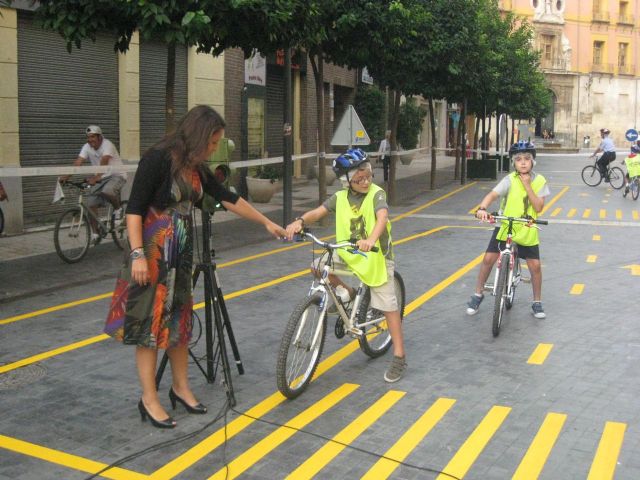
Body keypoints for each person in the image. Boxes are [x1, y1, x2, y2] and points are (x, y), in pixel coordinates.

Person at [104, 105, 286, 429]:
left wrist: (266, 222)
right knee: (149, 328)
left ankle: (181, 388)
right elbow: (134, 210)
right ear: (200, 135)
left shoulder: (194, 167)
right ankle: (149, 398)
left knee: (178, 324)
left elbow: (226, 196)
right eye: (213, 142)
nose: (215, 149)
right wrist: (137, 256)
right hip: (152, 252)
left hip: (181, 256)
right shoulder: (158, 158)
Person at [284, 148, 406, 383]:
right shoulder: (340, 197)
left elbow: (382, 217)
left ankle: (399, 355)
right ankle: (347, 293)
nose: (365, 181)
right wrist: (299, 221)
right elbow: (318, 212)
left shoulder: (377, 194)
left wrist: (371, 240)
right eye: (359, 178)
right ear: (346, 180)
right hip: (348, 252)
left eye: (368, 175)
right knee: (318, 267)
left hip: (376, 256)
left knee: (388, 305)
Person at [466, 140, 550, 319]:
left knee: (535, 266)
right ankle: (478, 294)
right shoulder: (509, 179)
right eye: (518, 159)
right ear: (513, 162)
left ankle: (537, 302)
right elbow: (492, 194)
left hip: (527, 228)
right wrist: (482, 208)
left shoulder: (540, 180)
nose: (523, 162)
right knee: (488, 259)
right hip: (506, 225)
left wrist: (527, 185)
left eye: (527, 158)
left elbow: (538, 207)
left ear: (533, 161)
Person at [60, 126, 127, 244]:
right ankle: (96, 234)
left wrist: (96, 177)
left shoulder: (107, 145)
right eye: (88, 137)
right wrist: (66, 176)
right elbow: (78, 162)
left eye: (93, 137)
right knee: (90, 205)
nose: (90, 140)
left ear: (99, 137)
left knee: (107, 191)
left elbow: (104, 160)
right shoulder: (87, 147)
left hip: (116, 175)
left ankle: (118, 209)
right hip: (100, 178)